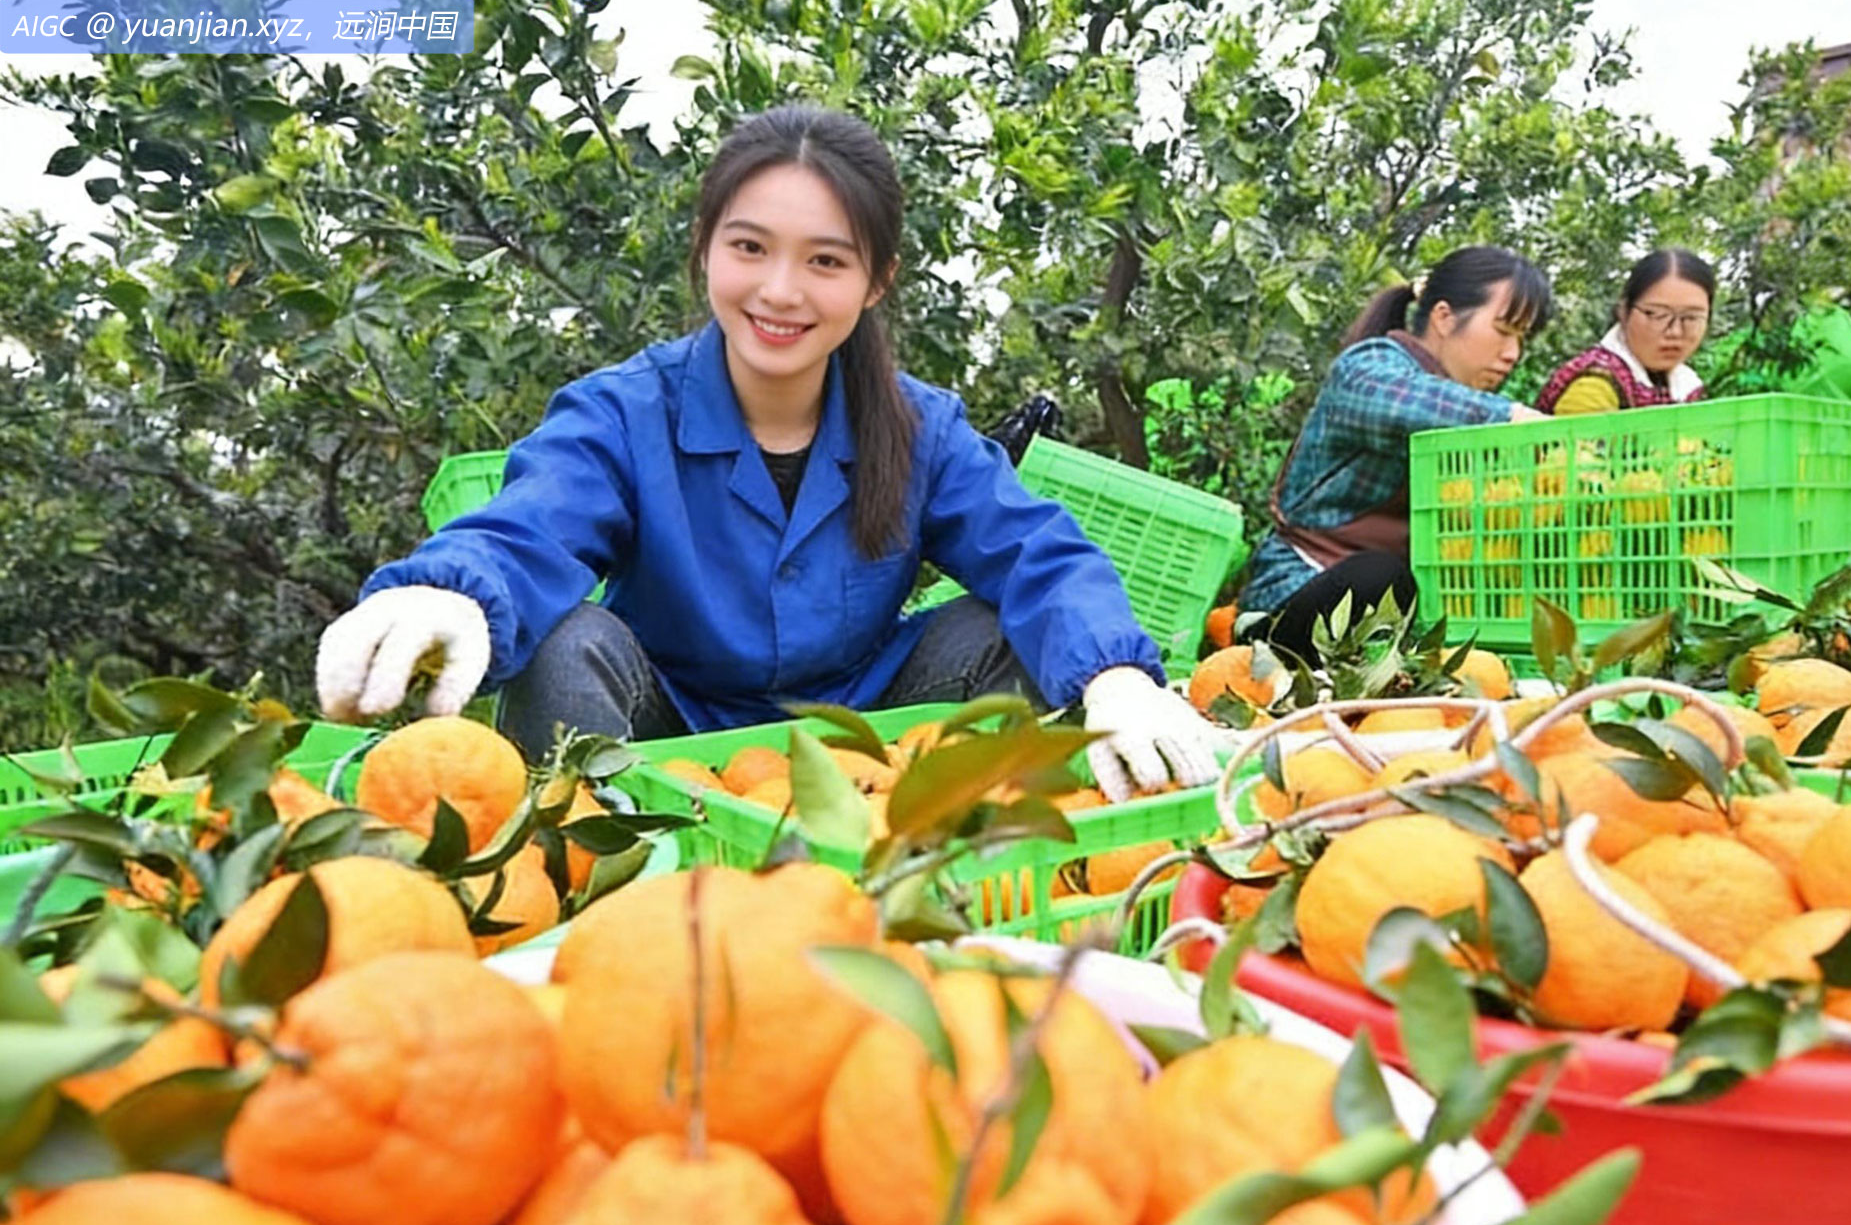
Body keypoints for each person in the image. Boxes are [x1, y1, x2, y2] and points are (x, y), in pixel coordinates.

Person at [313, 106, 1217, 801]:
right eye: (751, 247)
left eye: (826, 261)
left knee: (998, 632)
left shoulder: (920, 428)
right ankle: (598, 866)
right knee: (566, 643)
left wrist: (1117, 674)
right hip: (667, 729)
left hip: (865, 738)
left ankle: (960, 844)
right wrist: (454, 591)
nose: (780, 292)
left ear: (875, 282)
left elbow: (1034, 552)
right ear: (707, 246)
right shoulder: (627, 412)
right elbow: (533, 522)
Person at [1240, 246, 1553, 659]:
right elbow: (1399, 404)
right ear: (1443, 317)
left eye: (1521, 338)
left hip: (1388, 628)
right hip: (1300, 590)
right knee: (1379, 577)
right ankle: (1262, 642)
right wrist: (1518, 422)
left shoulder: (1469, 413)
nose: (1513, 353)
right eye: (1503, 329)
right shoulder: (1370, 367)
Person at [1536, 248, 1714, 414]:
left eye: (1691, 318)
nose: (1675, 331)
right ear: (1624, 311)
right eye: (1657, 314)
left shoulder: (1684, 385)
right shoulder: (1593, 386)